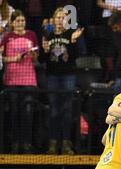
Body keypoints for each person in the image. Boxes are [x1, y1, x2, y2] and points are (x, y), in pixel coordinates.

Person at [41, 7, 84, 155]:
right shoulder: (48, 34)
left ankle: (66, 143)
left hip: (68, 76)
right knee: (54, 110)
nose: (60, 20)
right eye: (58, 17)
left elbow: (78, 56)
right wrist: (45, 51)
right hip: (52, 76)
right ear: (53, 19)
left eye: (63, 17)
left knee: (67, 110)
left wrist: (73, 42)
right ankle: (53, 144)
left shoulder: (71, 34)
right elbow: (42, 59)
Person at [0, 9, 38, 154]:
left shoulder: (31, 35)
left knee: (27, 113)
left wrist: (33, 55)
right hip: (12, 81)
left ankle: (27, 144)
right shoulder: (7, 37)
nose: (20, 23)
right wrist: (13, 59)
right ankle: (15, 144)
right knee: (14, 113)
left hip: (29, 80)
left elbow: (36, 58)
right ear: (12, 23)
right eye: (18, 21)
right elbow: (2, 58)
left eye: (22, 21)